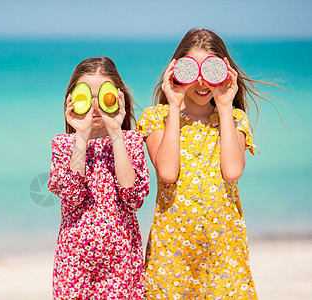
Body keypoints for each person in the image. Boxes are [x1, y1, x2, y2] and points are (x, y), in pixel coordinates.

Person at [137, 28, 263, 299]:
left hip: (224, 248)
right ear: (176, 72)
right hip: (172, 251)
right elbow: (168, 172)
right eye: (191, 72)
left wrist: (226, 103)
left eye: (212, 72)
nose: (203, 83)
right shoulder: (156, 117)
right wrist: (173, 105)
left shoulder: (233, 118)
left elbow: (232, 171)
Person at [48, 56, 150, 299]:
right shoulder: (63, 144)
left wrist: (117, 134)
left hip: (121, 264)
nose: (95, 106)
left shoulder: (131, 142)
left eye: (102, 96)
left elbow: (133, 198)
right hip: (75, 264)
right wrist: (81, 135)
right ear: (72, 100)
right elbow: (71, 196)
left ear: (117, 97)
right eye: (86, 97)